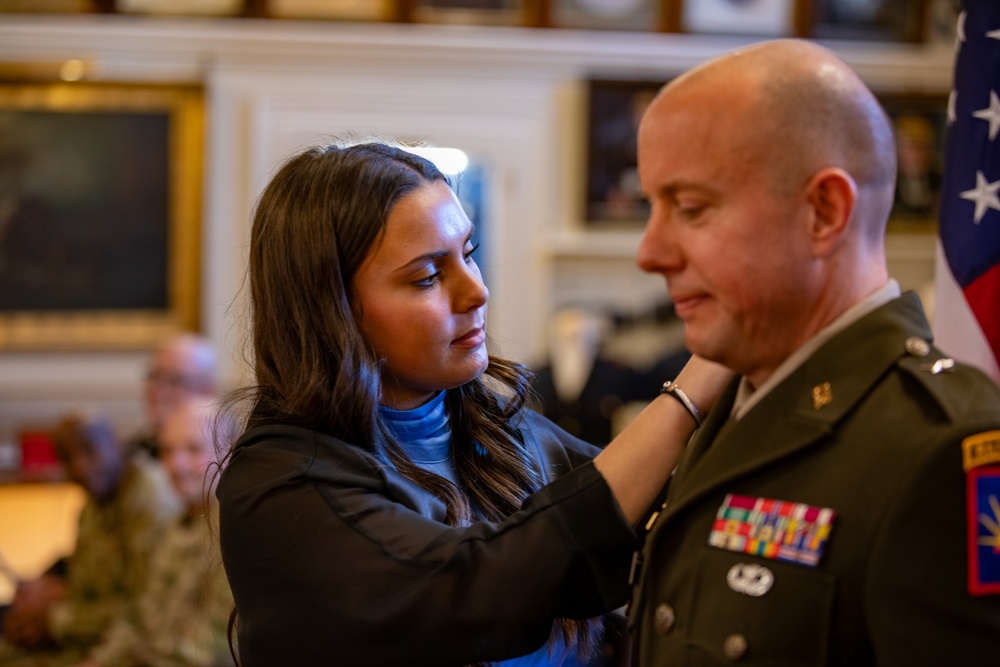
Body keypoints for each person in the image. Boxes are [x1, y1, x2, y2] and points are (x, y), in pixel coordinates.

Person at [215, 141, 732, 667]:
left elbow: (666, 510)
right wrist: (687, 396)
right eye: (427, 277)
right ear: (332, 311)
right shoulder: (281, 486)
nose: (476, 291)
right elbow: (483, 588)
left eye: (469, 254)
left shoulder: (508, 433)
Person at [628, 39, 1000, 665]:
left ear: (824, 212)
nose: (650, 252)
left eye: (691, 209)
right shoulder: (738, 404)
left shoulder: (941, 448)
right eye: (651, 207)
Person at [0, 414, 182, 667]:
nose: (80, 467)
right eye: (67, 458)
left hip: (129, 647)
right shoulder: (95, 499)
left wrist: (57, 620)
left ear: (115, 445)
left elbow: (146, 611)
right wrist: (47, 590)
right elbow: (85, 576)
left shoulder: (150, 504)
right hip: (89, 633)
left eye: (90, 451)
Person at [75, 399, 235, 667]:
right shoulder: (178, 525)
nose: (177, 465)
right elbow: (139, 618)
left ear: (229, 451)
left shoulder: (234, 535)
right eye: (168, 451)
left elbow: (217, 648)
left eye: (193, 449)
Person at [131, 333, 219, 459]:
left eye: (173, 380)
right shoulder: (136, 452)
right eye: (154, 377)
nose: (157, 389)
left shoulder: (223, 457)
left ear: (206, 391)